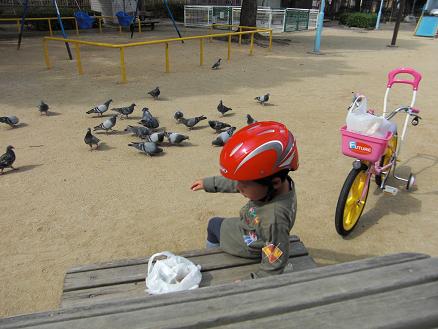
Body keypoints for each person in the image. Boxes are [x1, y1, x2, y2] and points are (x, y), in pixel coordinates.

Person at [191, 121, 299, 278]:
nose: (238, 187)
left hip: (250, 244)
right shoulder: (279, 185)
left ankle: (212, 259)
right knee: (218, 223)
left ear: (274, 182)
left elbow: (274, 262)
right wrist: (209, 183)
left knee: (213, 225)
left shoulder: (274, 219)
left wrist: (252, 281)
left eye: (244, 185)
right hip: (254, 229)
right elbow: (240, 182)